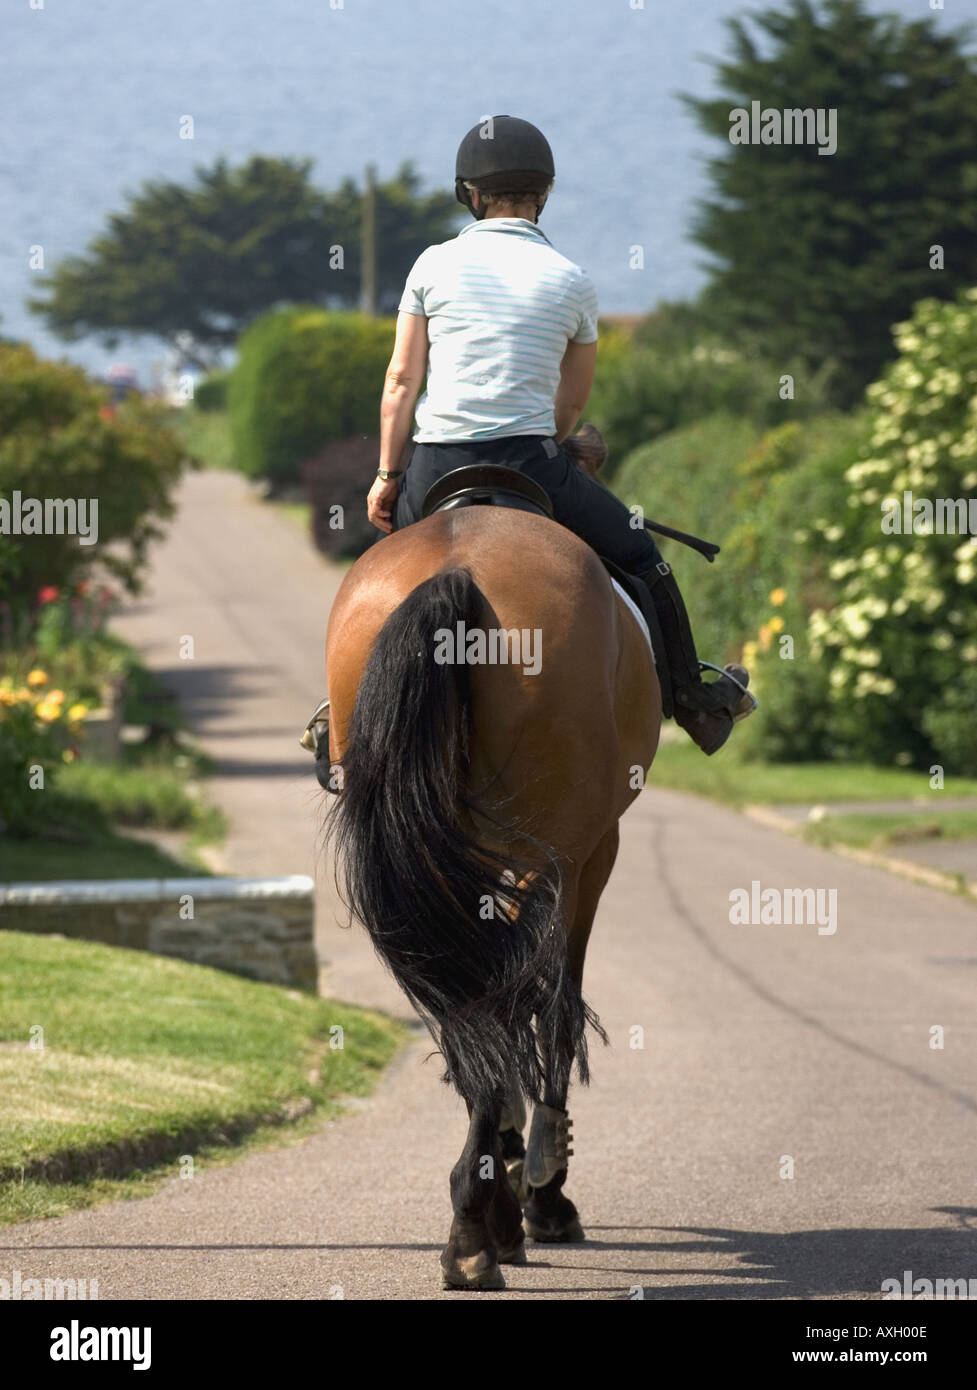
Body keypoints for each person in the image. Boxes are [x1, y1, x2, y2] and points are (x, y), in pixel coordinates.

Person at [366, 115, 754, 755]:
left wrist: (387, 477)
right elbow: (571, 402)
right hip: (532, 465)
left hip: (434, 468)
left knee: (377, 576)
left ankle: (339, 721)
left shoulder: (432, 264)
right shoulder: (572, 280)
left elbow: (402, 381)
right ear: (543, 194)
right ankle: (695, 700)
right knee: (643, 559)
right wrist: (552, 439)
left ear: (472, 194)